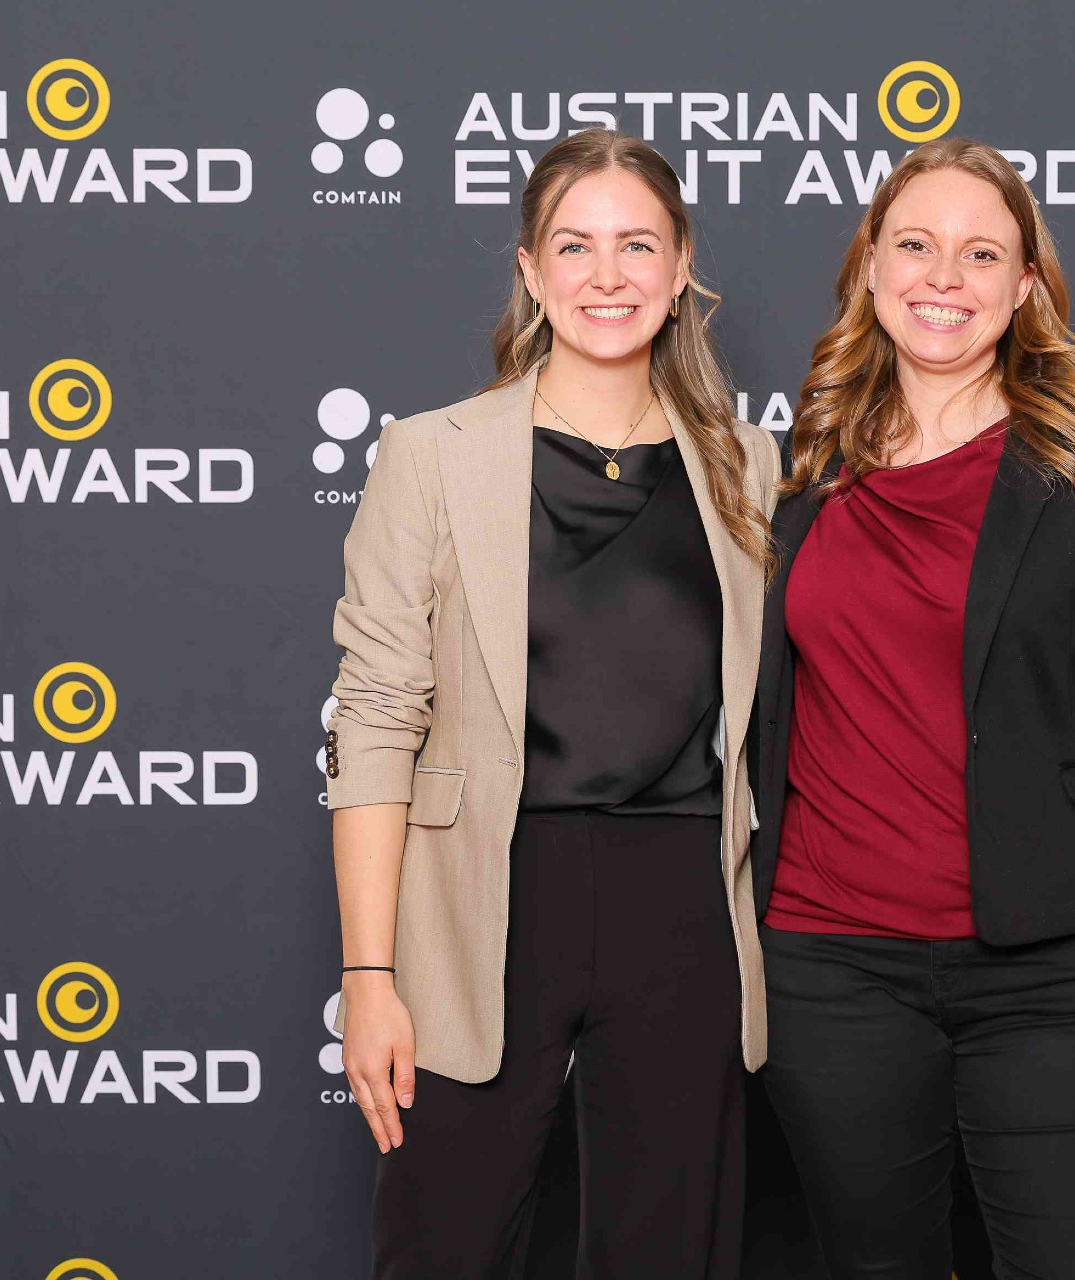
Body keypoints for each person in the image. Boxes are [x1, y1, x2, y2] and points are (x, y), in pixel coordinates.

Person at [322, 129, 779, 1280]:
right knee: (443, 1243)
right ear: (530, 268)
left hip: (681, 897)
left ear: (681, 265)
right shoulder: (429, 455)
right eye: (575, 246)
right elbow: (374, 718)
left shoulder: (750, 464)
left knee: (671, 1252)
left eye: (638, 245)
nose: (607, 275)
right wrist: (368, 976)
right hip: (481, 895)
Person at [748, 137, 1075, 1279]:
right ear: (870, 268)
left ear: (1024, 285)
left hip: (1055, 964)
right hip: (830, 962)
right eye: (915, 244)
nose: (943, 277)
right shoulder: (798, 465)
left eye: (981, 253)